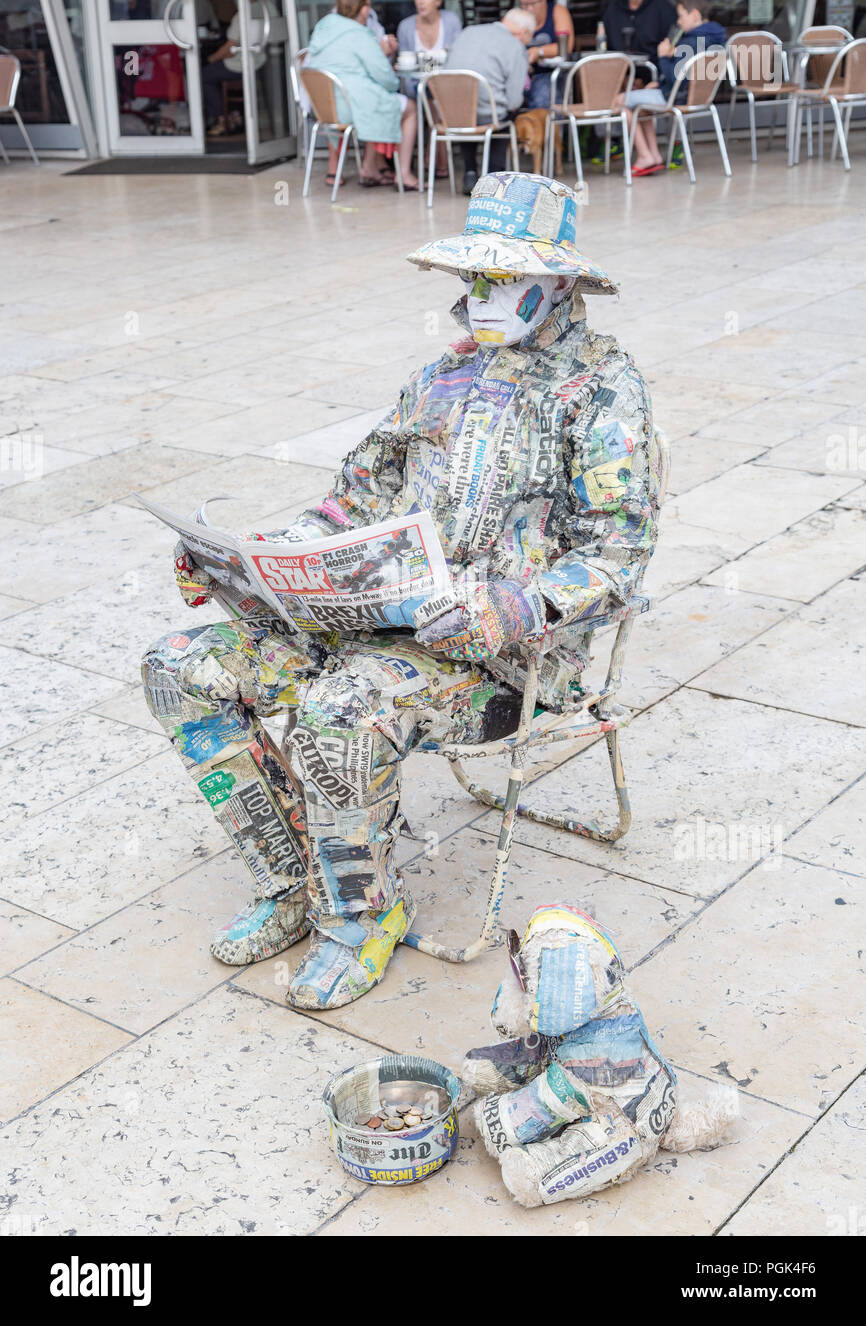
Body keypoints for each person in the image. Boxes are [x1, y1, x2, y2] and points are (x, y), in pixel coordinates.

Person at [141, 171, 659, 1012]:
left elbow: (619, 554)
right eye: (472, 279)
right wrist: (257, 557)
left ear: (559, 282)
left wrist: (514, 606)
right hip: (377, 620)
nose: (481, 297)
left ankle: (361, 916)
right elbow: (354, 500)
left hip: (503, 663)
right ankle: (291, 876)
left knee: (342, 708)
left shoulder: (601, 392)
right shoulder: (442, 378)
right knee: (179, 667)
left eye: (505, 279)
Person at [306, 0, 419, 189]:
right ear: (363, 8)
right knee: (408, 108)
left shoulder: (324, 27)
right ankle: (403, 174)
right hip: (350, 105)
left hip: (324, 107)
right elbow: (385, 78)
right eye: (368, 5)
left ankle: (370, 168)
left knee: (372, 99)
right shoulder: (359, 34)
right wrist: (389, 67)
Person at [620, 0, 727, 175]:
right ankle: (654, 156)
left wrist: (663, 57)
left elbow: (676, 77)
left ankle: (646, 155)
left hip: (676, 97)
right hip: (698, 98)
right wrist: (660, 82)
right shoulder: (715, 38)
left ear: (694, 15)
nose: (678, 21)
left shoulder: (691, 41)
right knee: (642, 107)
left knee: (620, 101)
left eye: (681, 16)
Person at [444, 8, 535, 193]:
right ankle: (494, 174)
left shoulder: (468, 31)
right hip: (488, 114)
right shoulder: (515, 46)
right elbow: (513, 101)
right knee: (505, 112)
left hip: (451, 113)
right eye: (529, 38)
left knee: (468, 108)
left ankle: (470, 171)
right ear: (523, 33)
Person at [397, 0, 461, 176]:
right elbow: (404, 68)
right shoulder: (406, 26)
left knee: (435, 94)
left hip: (447, 85)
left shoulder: (451, 21)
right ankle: (437, 156)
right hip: (415, 85)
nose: (420, 1)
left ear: (438, 0)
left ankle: (434, 154)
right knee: (430, 95)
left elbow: (457, 56)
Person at [202, 0, 277, 136]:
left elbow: (230, 48)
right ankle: (235, 115)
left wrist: (211, 58)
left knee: (204, 76)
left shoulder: (242, 15)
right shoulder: (267, 7)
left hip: (240, 65)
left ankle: (223, 119)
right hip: (261, 61)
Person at [515, 0, 574, 109]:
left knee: (543, 96)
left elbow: (566, 46)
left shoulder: (557, 12)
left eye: (533, 3)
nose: (529, 9)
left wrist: (539, 51)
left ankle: (549, 130)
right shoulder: (516, 17)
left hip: (551, 74)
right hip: (521, 75)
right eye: (525, 4)